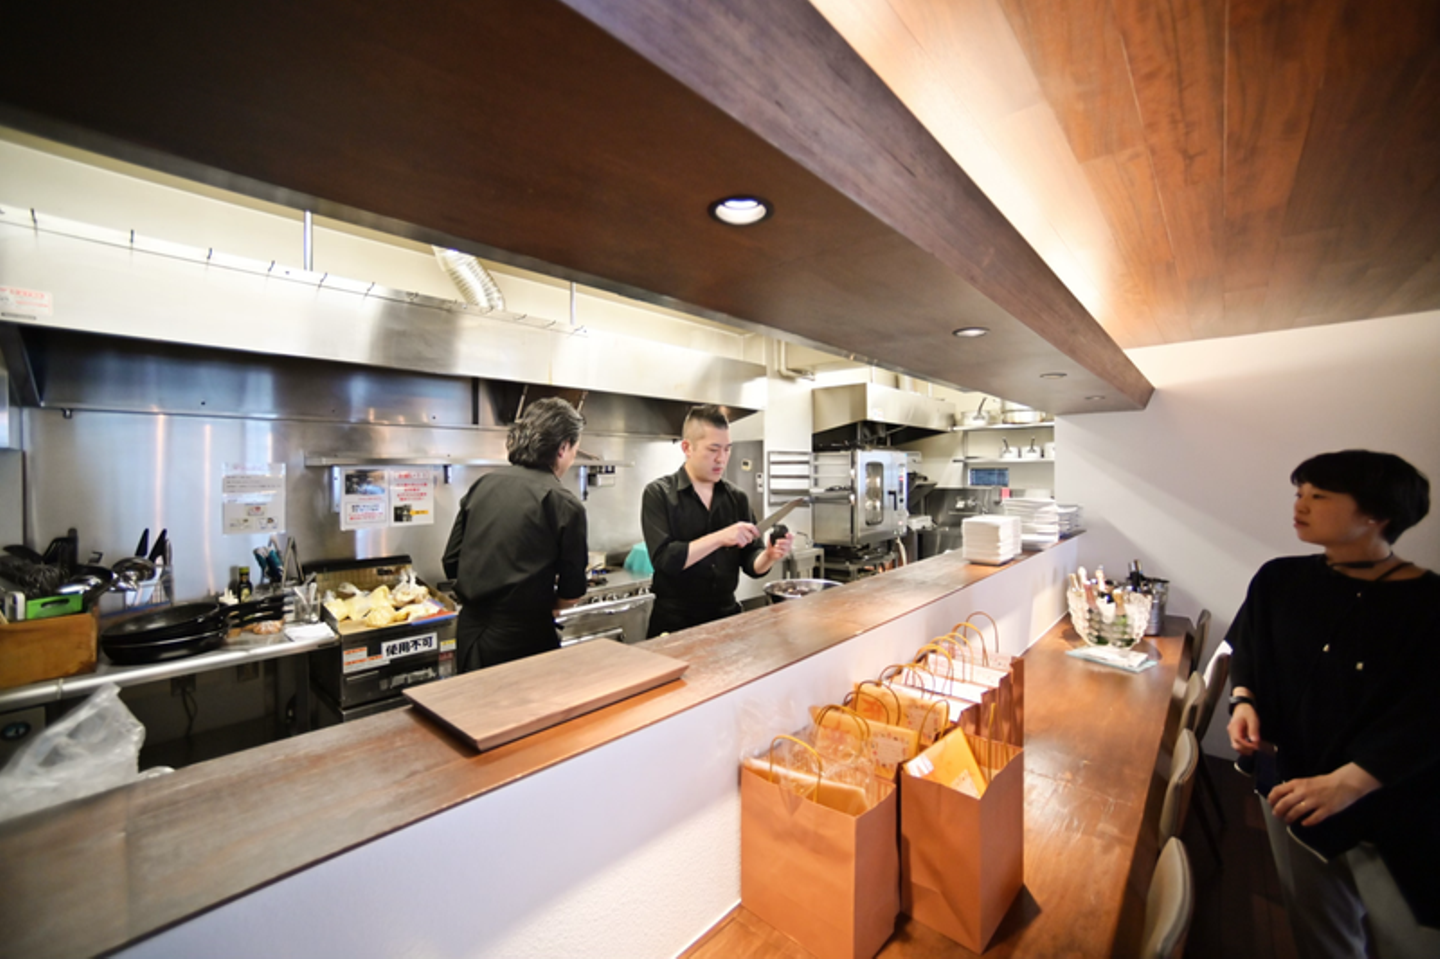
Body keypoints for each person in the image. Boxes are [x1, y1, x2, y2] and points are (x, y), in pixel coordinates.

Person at [1225, 450, 1439, 959]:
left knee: (1410, 939)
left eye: (1318, 495)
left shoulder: (1428, 604)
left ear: (1376, 514)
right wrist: (1243, 700)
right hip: (1289, 789)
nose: (1299, 505)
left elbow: (1429, 716)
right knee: (1320, 932)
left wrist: (1352, 782)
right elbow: (1248, 650)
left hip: (1392, 806)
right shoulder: (1278, 579)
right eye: (1299, 493)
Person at [442, 397, 588, 670]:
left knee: (473, 698)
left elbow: (451, 561)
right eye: (574, 451)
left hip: (470, 632)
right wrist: (546, 604)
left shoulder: (483, 485)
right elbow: (571, 593)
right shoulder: (565, 503)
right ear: (562, 448)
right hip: (523, 638)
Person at [642, 404, 793, 637]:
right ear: (687, 447)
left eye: (727, 449)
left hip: (726, 621)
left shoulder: (737, 498)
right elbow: (665, 560)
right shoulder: (658, 493)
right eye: (713, 449)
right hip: (675, 625)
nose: (722, 459)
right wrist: (721, 537)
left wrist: (769, 556)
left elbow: (751, 562)